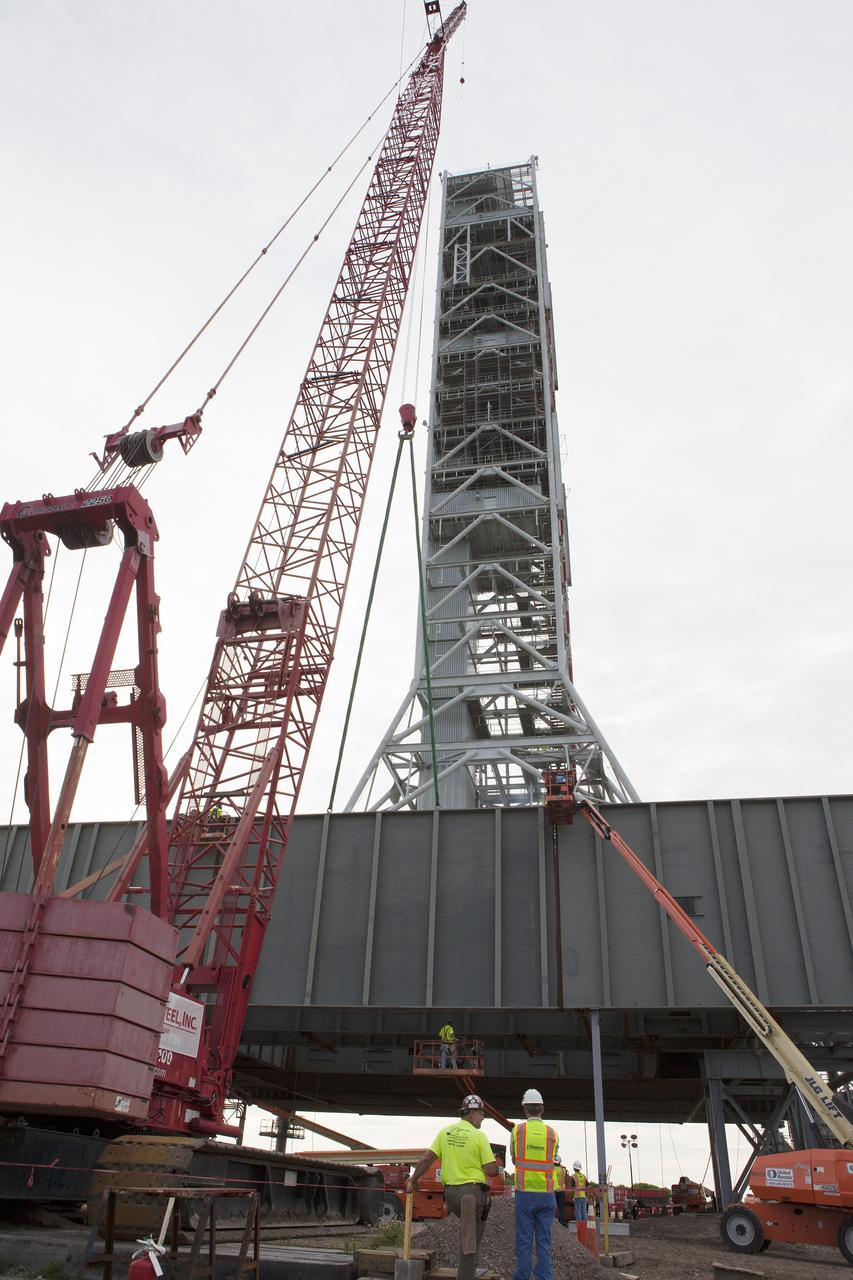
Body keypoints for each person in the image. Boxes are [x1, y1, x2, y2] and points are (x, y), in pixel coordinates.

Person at [408, 1094, 498, 1280]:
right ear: (473, 1113)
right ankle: (465, 1276)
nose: (483, 1118)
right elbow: (491, 1170)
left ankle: (468, 1271)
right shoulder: (478, 1136)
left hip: (450, 1194)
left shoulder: (445, 1132)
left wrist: (414, 1179)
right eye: (482, 1113)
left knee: (468, 1235)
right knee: (469, 1243)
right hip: (470, 1194)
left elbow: (427, 1159)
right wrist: (489, 1163)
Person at [510, 1088, 559, 1280]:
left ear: (524, 1109)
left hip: (525, 1193)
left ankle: (522, 1277)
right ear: (542, 1109)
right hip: (547, 1194)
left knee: (523, 1241)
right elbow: (553, 1158)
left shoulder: (518, 1131)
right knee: (544, 1242)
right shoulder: (552, 1133)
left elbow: (514, 1159)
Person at [569, 1160, 590, 1244]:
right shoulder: (583, 1176)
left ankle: (580, 1228)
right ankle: (585, 1226)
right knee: (584, 1212)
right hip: (583, 1196)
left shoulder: (573, 1176)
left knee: (578, 1212)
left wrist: (571, 1196)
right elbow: (588, 1186)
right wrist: (587, 1195)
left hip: (577, 1196)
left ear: (574, 1168)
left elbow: (572, 1188)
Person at [552, 1154, 567, 1226]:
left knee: (553, 1207)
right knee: (562, 1208)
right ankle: (562, 1223)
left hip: (554, 1190)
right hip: (562, 1190)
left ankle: (554, 1223)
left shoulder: (552, 1168)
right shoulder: (563, 1169)